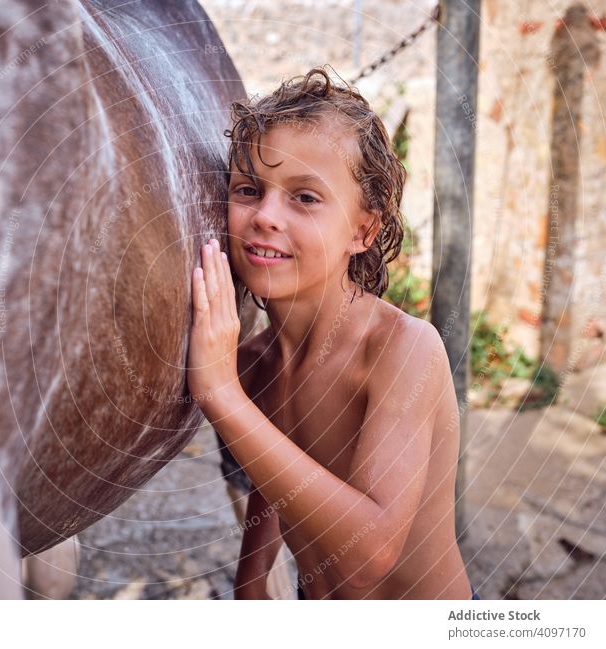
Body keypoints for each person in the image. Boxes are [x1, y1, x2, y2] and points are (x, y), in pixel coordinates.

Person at [186, 66, 477, 600]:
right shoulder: (254, 361)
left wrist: (220, 394)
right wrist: (250, 589)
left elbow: (370, 556)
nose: (266, 216)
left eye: (305, 198)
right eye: (248, 189)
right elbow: (277, 475)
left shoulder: (400, 350)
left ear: (363, 230)